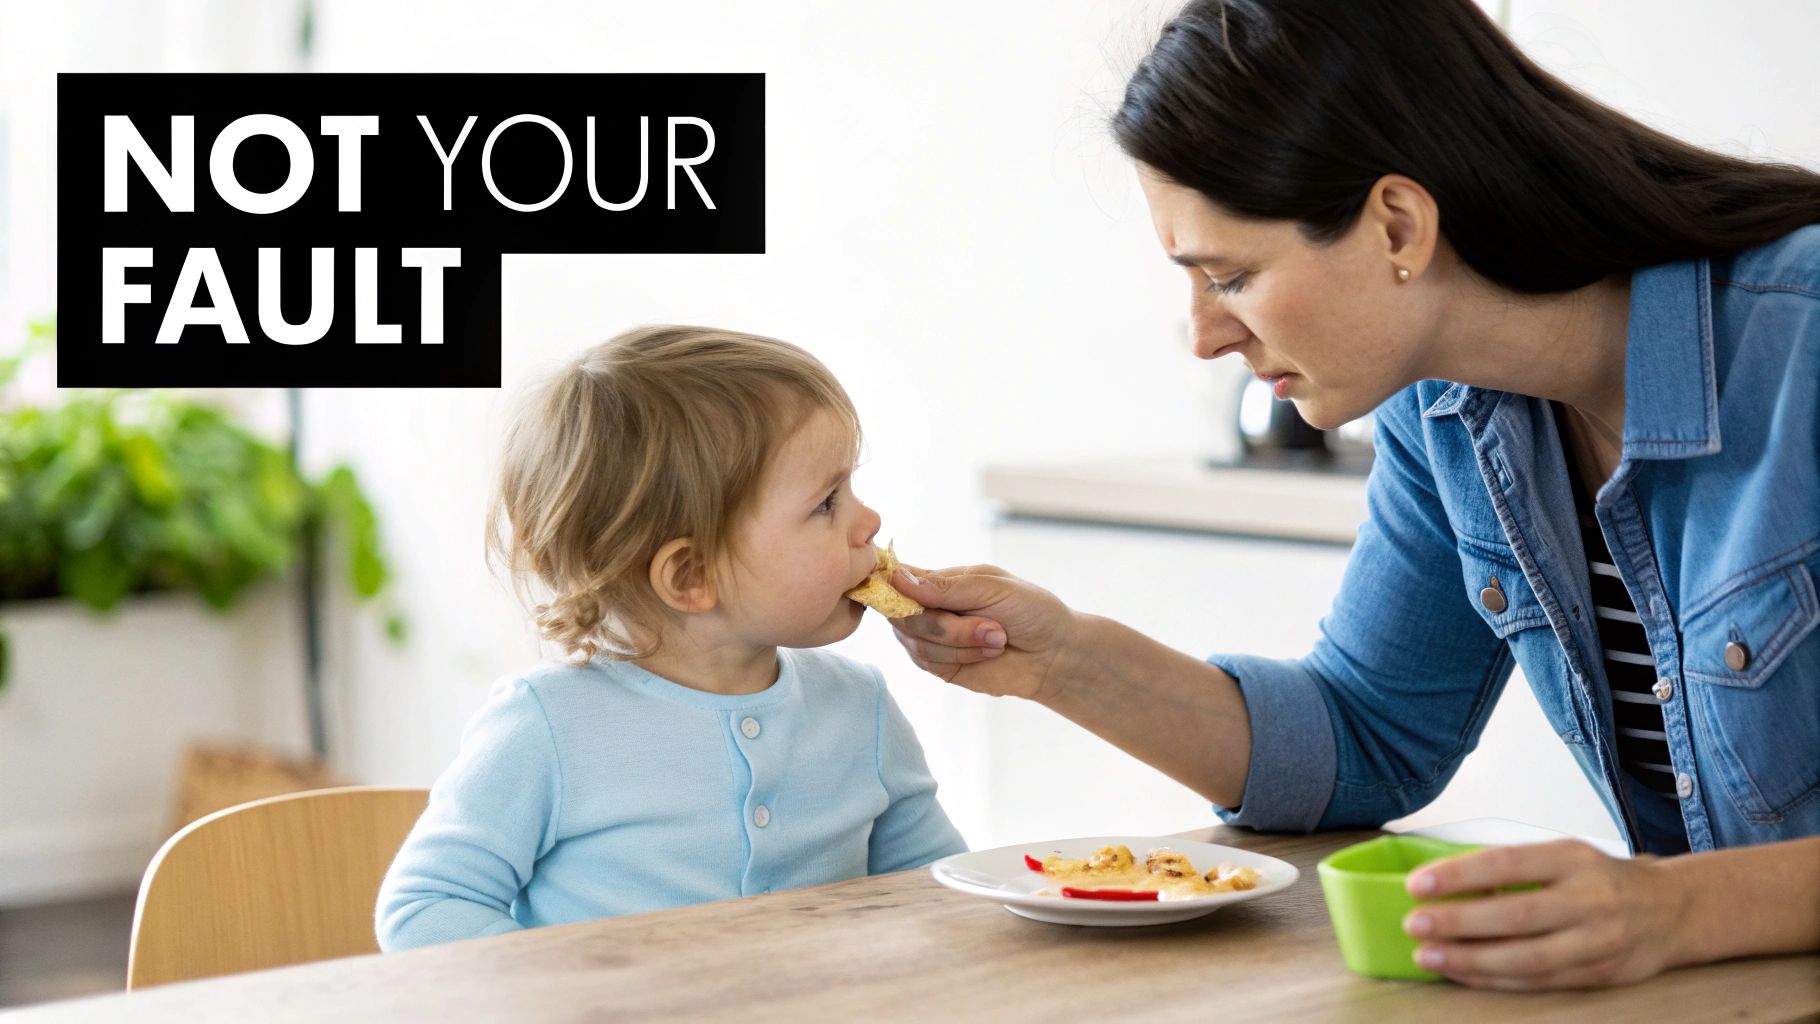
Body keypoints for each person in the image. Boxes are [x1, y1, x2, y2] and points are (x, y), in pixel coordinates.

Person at [886, 0, 1820, 991]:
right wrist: (1061, 658)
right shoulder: (1443, 411)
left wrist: (1671, 908)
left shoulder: (1798, 338)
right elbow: (1362, 736)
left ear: (1395, 225)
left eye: (1230, 276)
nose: (1203, 337)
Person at [376, 325, 965, 951]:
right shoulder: (547, 727)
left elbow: (941, 895)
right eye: (826, 502)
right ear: (692, 576)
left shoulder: (860, 709)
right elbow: (428, 907)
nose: (868, 520)